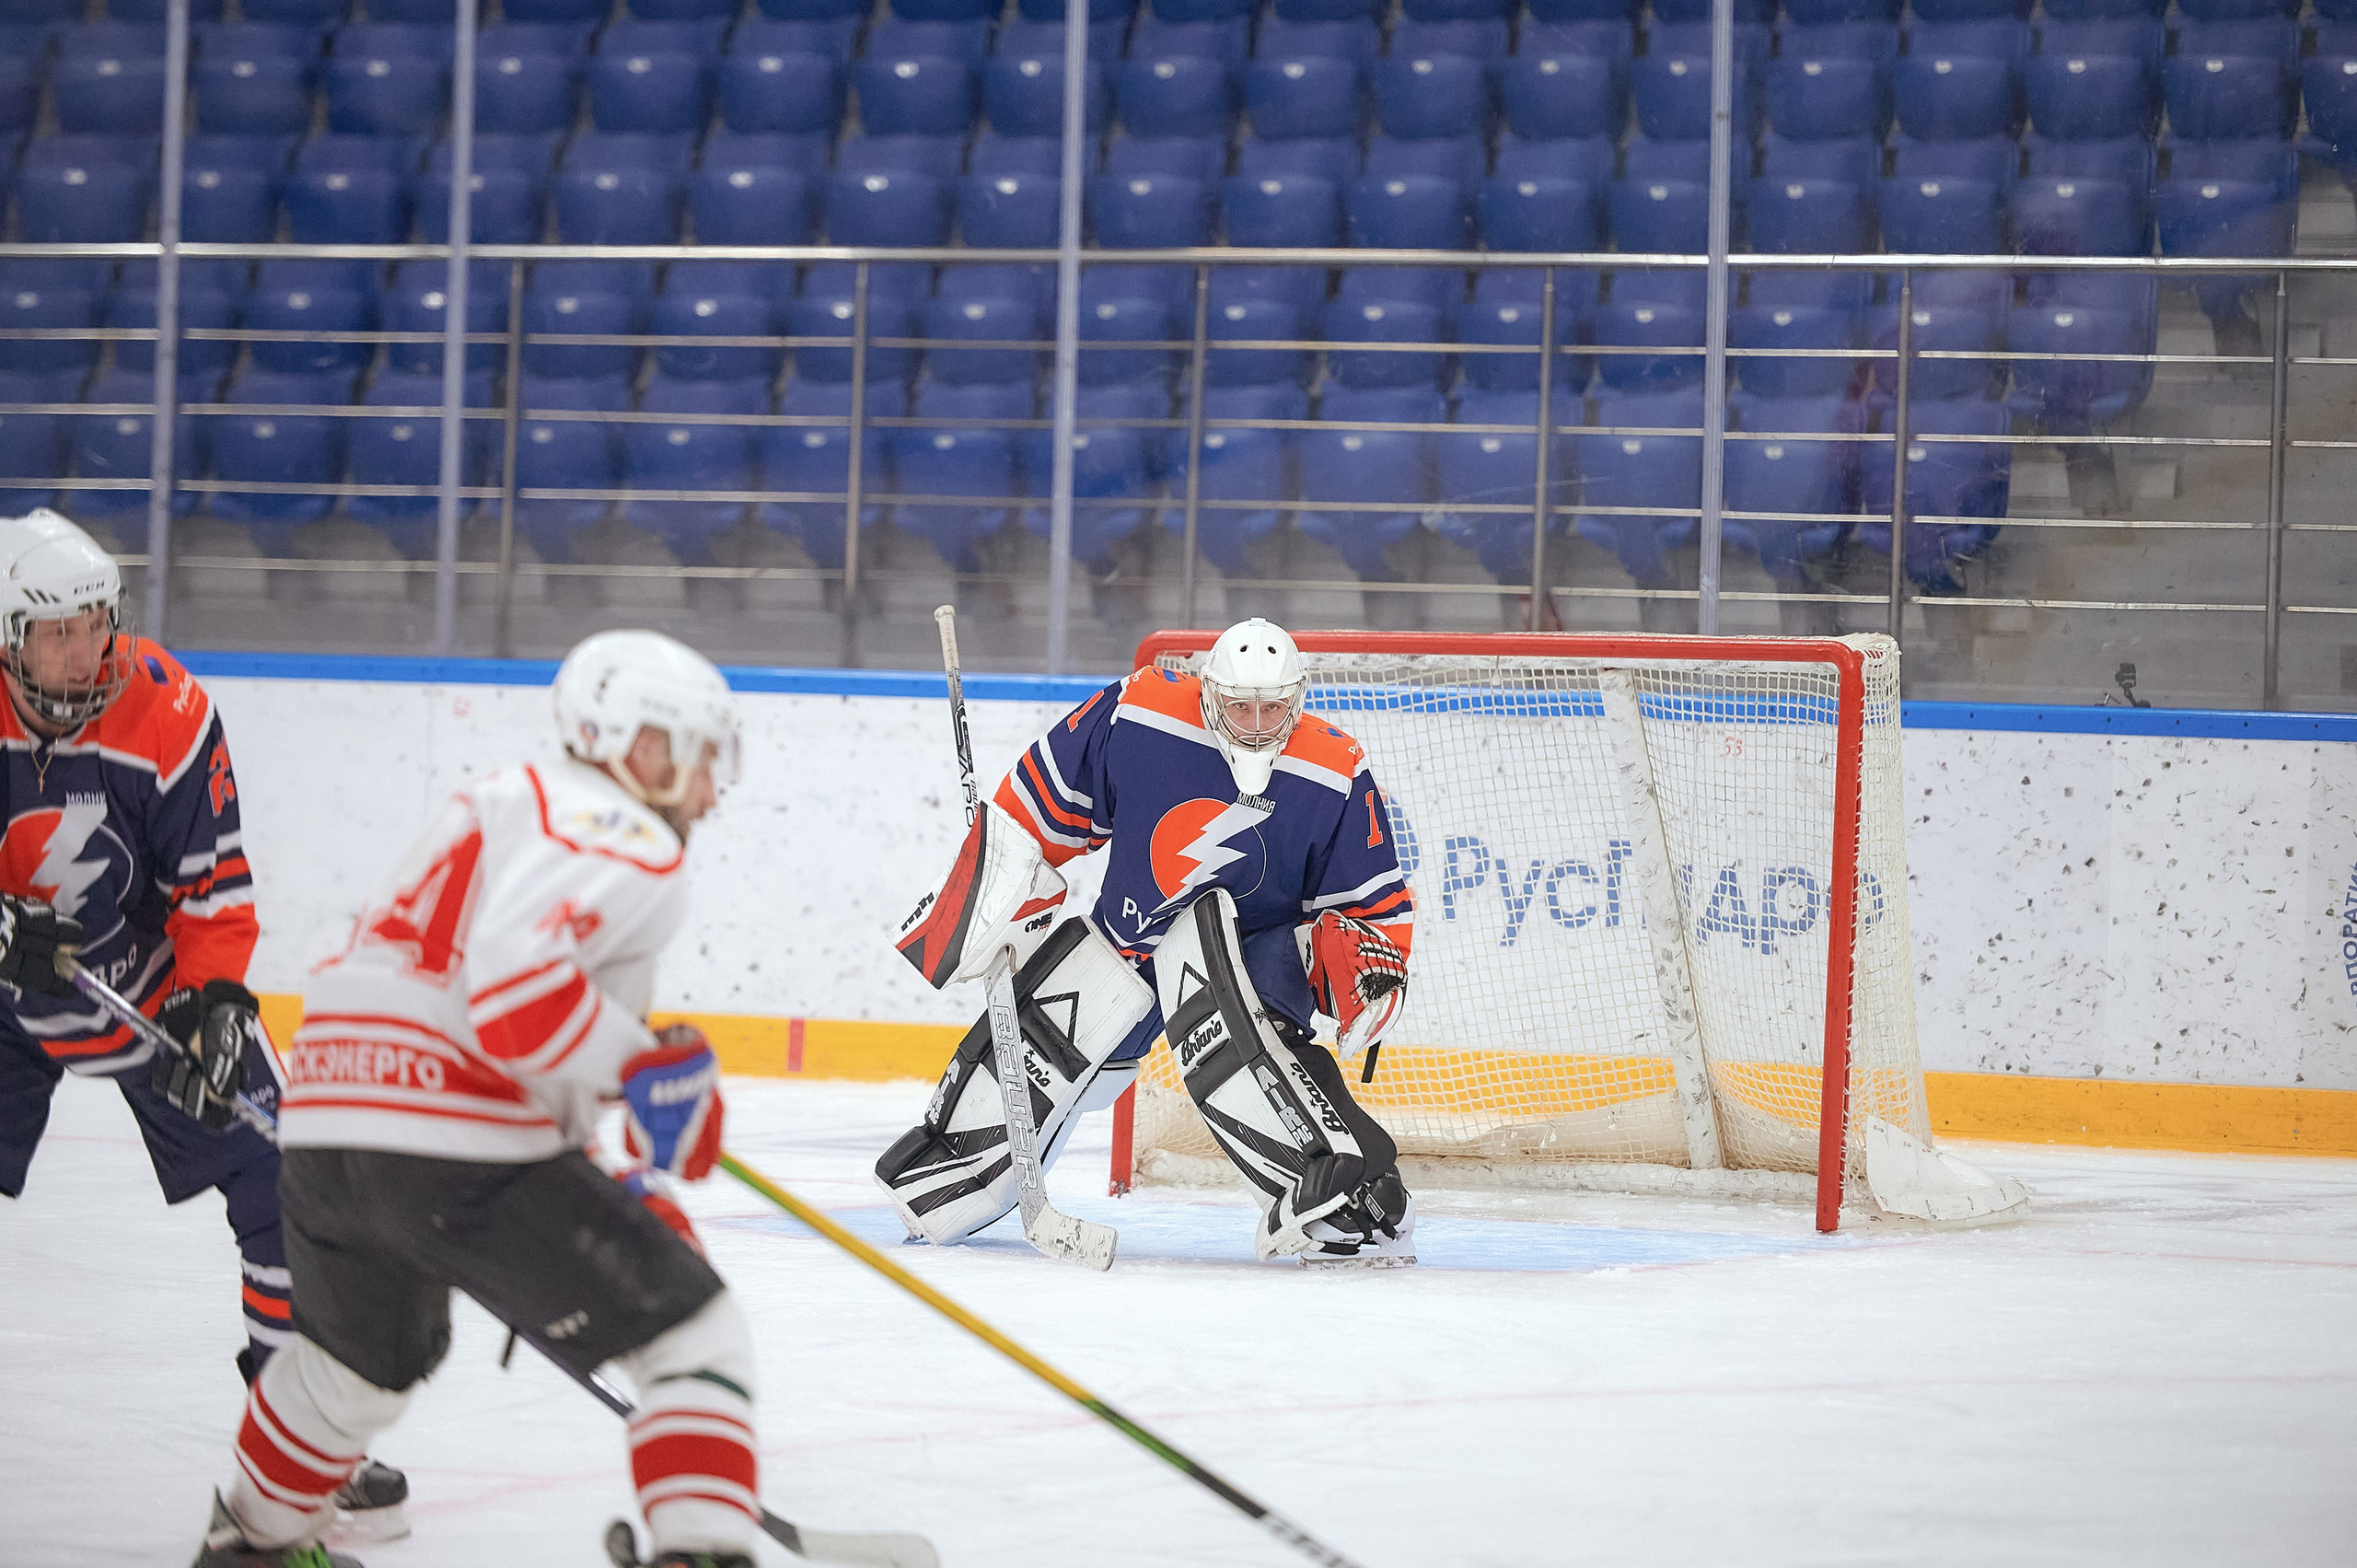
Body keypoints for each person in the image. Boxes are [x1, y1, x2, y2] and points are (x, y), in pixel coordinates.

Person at [190, 630, 758, 1568]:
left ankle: (245, 1543)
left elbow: (477, 1004)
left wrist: (604, 1152)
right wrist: (639, 1064)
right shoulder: (630, 834)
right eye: (700, 758)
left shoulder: (504, 800)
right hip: (449, 1144)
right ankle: (703, 1546)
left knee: (352, 1375)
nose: (709, 790)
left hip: (327, 1125)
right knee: (693, 1331)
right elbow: (514, 998)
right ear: (640, 746)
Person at [0, 510, 406, 1535]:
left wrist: (215, 1000)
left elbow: (214, 887)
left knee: (286, 1178)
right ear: (8, 634)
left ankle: (302, 1440)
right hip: (7, 1000)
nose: (82, 647)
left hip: (146, 986)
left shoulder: (166, 706)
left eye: (96, 621)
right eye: (55, 630)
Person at [879, 617, 1418, 1265]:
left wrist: (1367, 971)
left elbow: (1374, 911)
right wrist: (994, 893)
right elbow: (1039, 803)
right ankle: (957, 1166)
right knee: (1044, 1040)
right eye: (1237, 705)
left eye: (1271, 707)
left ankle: (1357, 1200)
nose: (1253, 723)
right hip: (1128, 947)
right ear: (1206, 689)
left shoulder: (1334, 769)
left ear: (1297, 698)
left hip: (1253, 961)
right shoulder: (1140, 713)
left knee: (1248, 1045)